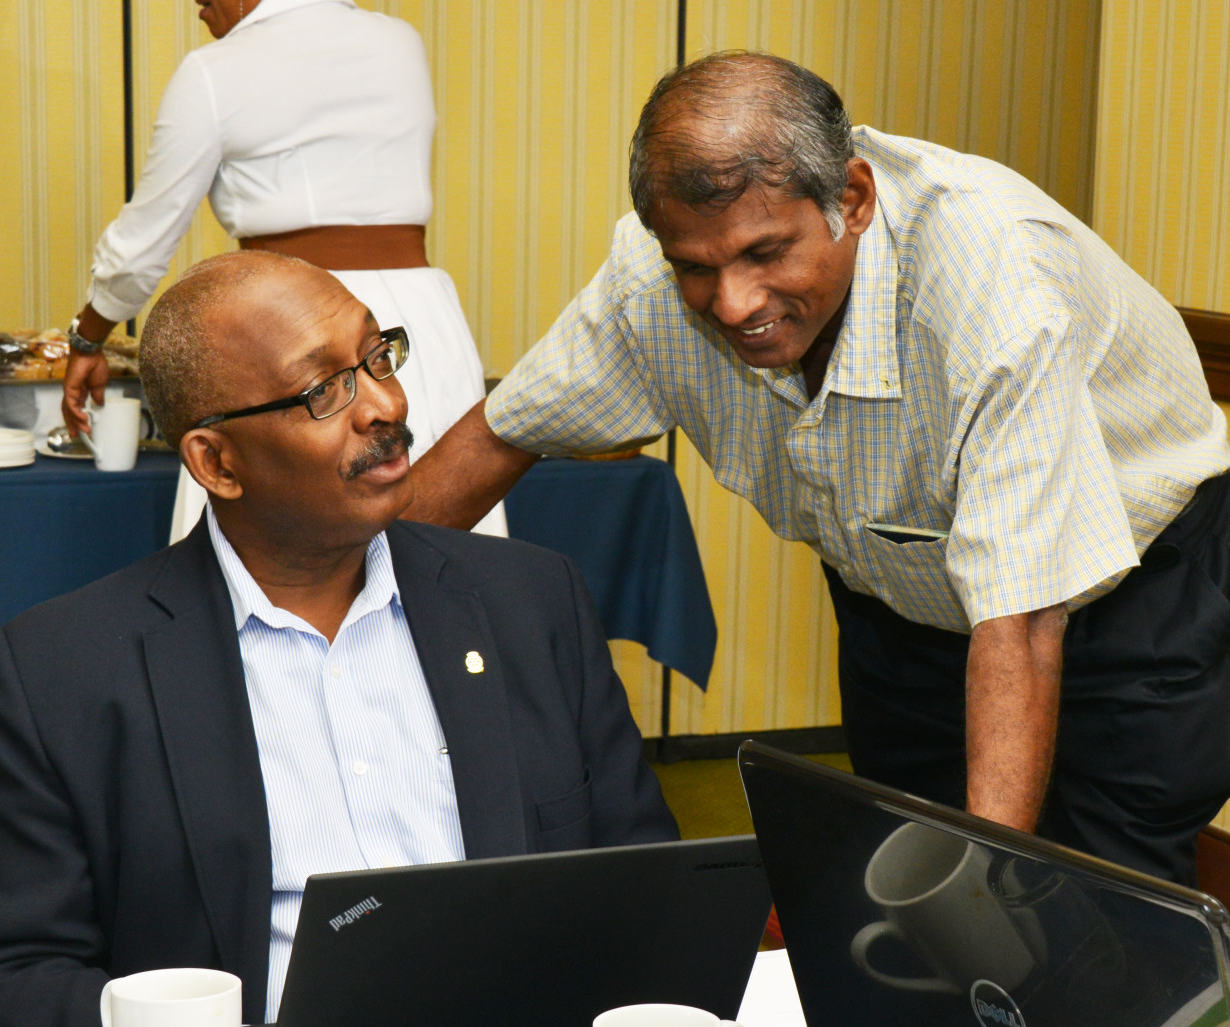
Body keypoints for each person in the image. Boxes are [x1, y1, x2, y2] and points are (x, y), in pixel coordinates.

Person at [407, 51, 1230, 887]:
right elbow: (501, 436)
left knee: (1102, 907)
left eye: (766, 252)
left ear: (852, 199)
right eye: (696, 267)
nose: (734, 303)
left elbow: (1020, 620)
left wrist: (976, 893)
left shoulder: (995, 282)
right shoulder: (648, 280)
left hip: (1131, 602)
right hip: (905, 610)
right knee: (896, 891)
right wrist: (343, 601)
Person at [0, 251, 677, 1027]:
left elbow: (653, 895)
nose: (385, 405)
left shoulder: (529, 603)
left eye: (377, 357)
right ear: (217, 463)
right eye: (324, 390)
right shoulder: (64, 670)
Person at [60, 0, 505, 537]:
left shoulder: (215, 71)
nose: (196, 4)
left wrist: (88, 336)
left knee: (282, 542)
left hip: (290, 326)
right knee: (447, 549)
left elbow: (145, 240)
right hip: (418, 329)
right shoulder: (399, 41)